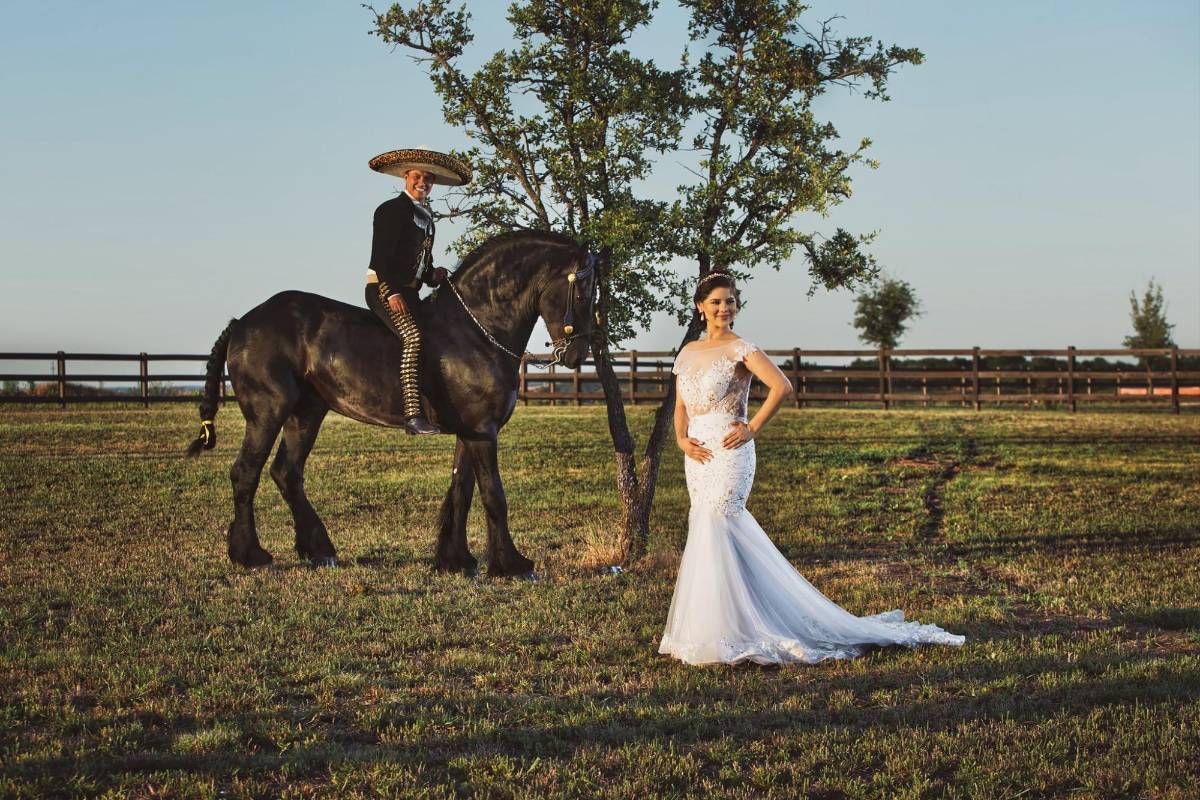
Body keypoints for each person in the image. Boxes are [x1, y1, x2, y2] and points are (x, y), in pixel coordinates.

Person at [659, 271, 965, 665]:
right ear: (700, 307)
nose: (724, 308)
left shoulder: (742, 349)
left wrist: (752, 428)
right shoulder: (688, 352)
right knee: (705, 526)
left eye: (730, 301)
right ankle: (717, 627)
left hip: (730, 451)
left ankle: (743, 627)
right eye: (716, 301)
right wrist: (681, 439)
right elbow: (680, 405)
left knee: (721, 520)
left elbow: (781, 386)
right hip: (696, 455)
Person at [365, 147, 472, 435]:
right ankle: (412, 416)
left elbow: (421, 265)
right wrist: (391, 293)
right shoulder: (390, 210)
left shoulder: (426, 217)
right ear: (406, 176)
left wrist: (433, 275)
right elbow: (381, 259)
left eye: (428, 178)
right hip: (383, 288)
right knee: (413, 337)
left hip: (411, 292)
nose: (422, 182)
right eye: (417, 176)